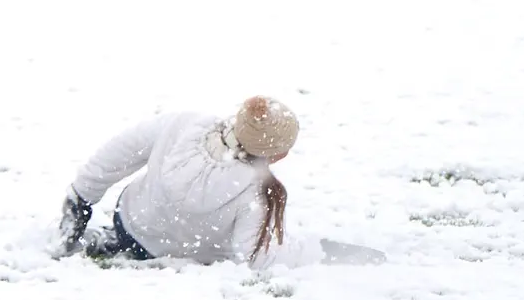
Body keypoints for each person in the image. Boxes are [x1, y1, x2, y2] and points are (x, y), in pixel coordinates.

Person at [53, 96, 328, 270]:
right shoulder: (258, 192)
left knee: (145, 222)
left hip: (128, 222)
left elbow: (121, 152)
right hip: (178, 253)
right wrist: (308, 251)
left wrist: (81, 196)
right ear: (276, 154)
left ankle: (121, 241)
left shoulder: (185, 125)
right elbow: (256, 257)